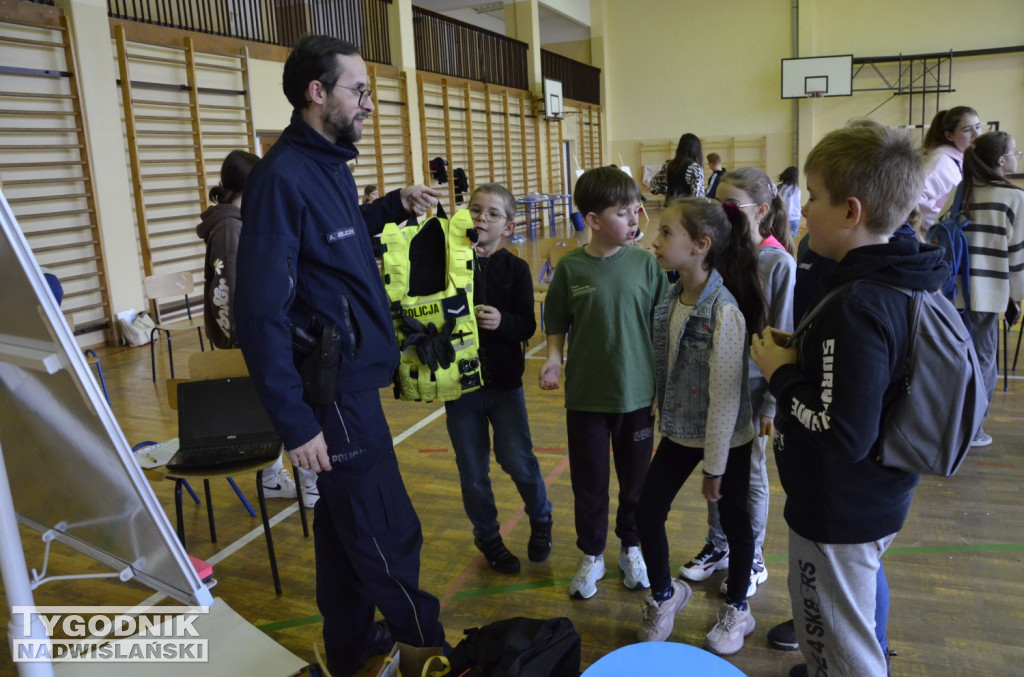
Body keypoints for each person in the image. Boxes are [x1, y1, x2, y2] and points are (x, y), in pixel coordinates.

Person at [233, 35, 447, 677]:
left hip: (350, 379)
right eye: (359, 90)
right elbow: (259, 314)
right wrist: (295, 423)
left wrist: (388, 207)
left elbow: (334, 243)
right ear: (316, 92)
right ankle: (428, 650)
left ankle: (355, 651)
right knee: (384, 528)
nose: (369, 104)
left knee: (343, 535)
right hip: (332, 392)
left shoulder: (328, 163)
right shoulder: (281, 180)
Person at [750, 123, 947, 677]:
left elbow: (842, 433)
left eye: (813, 197)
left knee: (841, 640)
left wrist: (779, 376)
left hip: (839, 509)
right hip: (873, 496)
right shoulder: (893, 273)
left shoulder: (857, 304)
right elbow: (868, 379)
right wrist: (805, 356)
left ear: (851, 212)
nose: (803, 210)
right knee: (834, 628)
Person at [635, 198, 765, 655]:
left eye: (667, 232)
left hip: (726, 438)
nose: (655, 239)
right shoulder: (671, 298)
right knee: (646, 511)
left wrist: (715, 469)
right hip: (681, 429)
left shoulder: (725, 312)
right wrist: (658, 401)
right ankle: (665, 595)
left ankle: (738, 608)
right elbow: (666, 361)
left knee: (734, 524)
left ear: (700, 246)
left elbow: (727, 399)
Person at [539, 166, 667, 600]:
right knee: (589, 484)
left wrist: (661, 390)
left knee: (636, 484)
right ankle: (592, 553)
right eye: (623, 213)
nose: (634, 221)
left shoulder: (647, 265)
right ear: (592, 221)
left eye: (636, 211)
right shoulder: (571, 269)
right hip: (587, 400)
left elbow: (662, 328)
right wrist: (555, 358)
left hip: (637, 399)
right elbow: (556, 320)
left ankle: (631, 547)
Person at [678, 168, 794, 600]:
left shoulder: (778, 262)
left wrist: (770, 405)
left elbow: (785, 336)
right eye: (717, 206)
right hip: (713, 386)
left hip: (754, 392)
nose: (722, 215)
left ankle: (753, 552)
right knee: (716, 467)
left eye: (731, 207)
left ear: (762, 211)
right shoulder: (718, 255)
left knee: (751, 475)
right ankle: (720, 543)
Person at [445, 182, 553, 574]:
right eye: (475, 211)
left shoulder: (516, 268)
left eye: (492, 214)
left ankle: (541, 517)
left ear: (508, 226)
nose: (481, 219)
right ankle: (487, 535)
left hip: (505, 385)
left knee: (518, 461)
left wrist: (502, 321)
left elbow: (527, 324)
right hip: (460, 386)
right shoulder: (450, 266)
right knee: (472, 471)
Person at [953, 130, 1024, 447]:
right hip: (988, 293)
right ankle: (972, 431)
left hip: (951, 295)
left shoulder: (961, 191)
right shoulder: (1015, 197)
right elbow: (1018, 256)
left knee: (956, 361)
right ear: (1001, 160)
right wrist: (1017, 298)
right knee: (984, 363)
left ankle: (952, 424)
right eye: (1014, 153)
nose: (1016, 158)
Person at [196, 149, 259, 350]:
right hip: (240, 340)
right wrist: (238, 339)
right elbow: (227, 286)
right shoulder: (228, 227)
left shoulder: (240, 221)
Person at [916, 106, 981, 238]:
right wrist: (943, 224)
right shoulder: (941, 162)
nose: (976, 134)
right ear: (949, 136)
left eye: (978, 127)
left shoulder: (958, 160)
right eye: (967, 130)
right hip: (937, 238)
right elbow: (915, 198)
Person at [649, 133, 706, 200]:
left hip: (671, 207)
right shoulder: (695, 168)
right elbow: (698, 196)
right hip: (687, 208)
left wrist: (668, 193)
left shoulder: (668, 165)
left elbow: (653, 187)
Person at [778, 166, 802, 239]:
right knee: (791, 240)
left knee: (782, 239)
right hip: (795, 218)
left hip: (783, 217)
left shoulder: (780, 188)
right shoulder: (797, 189)